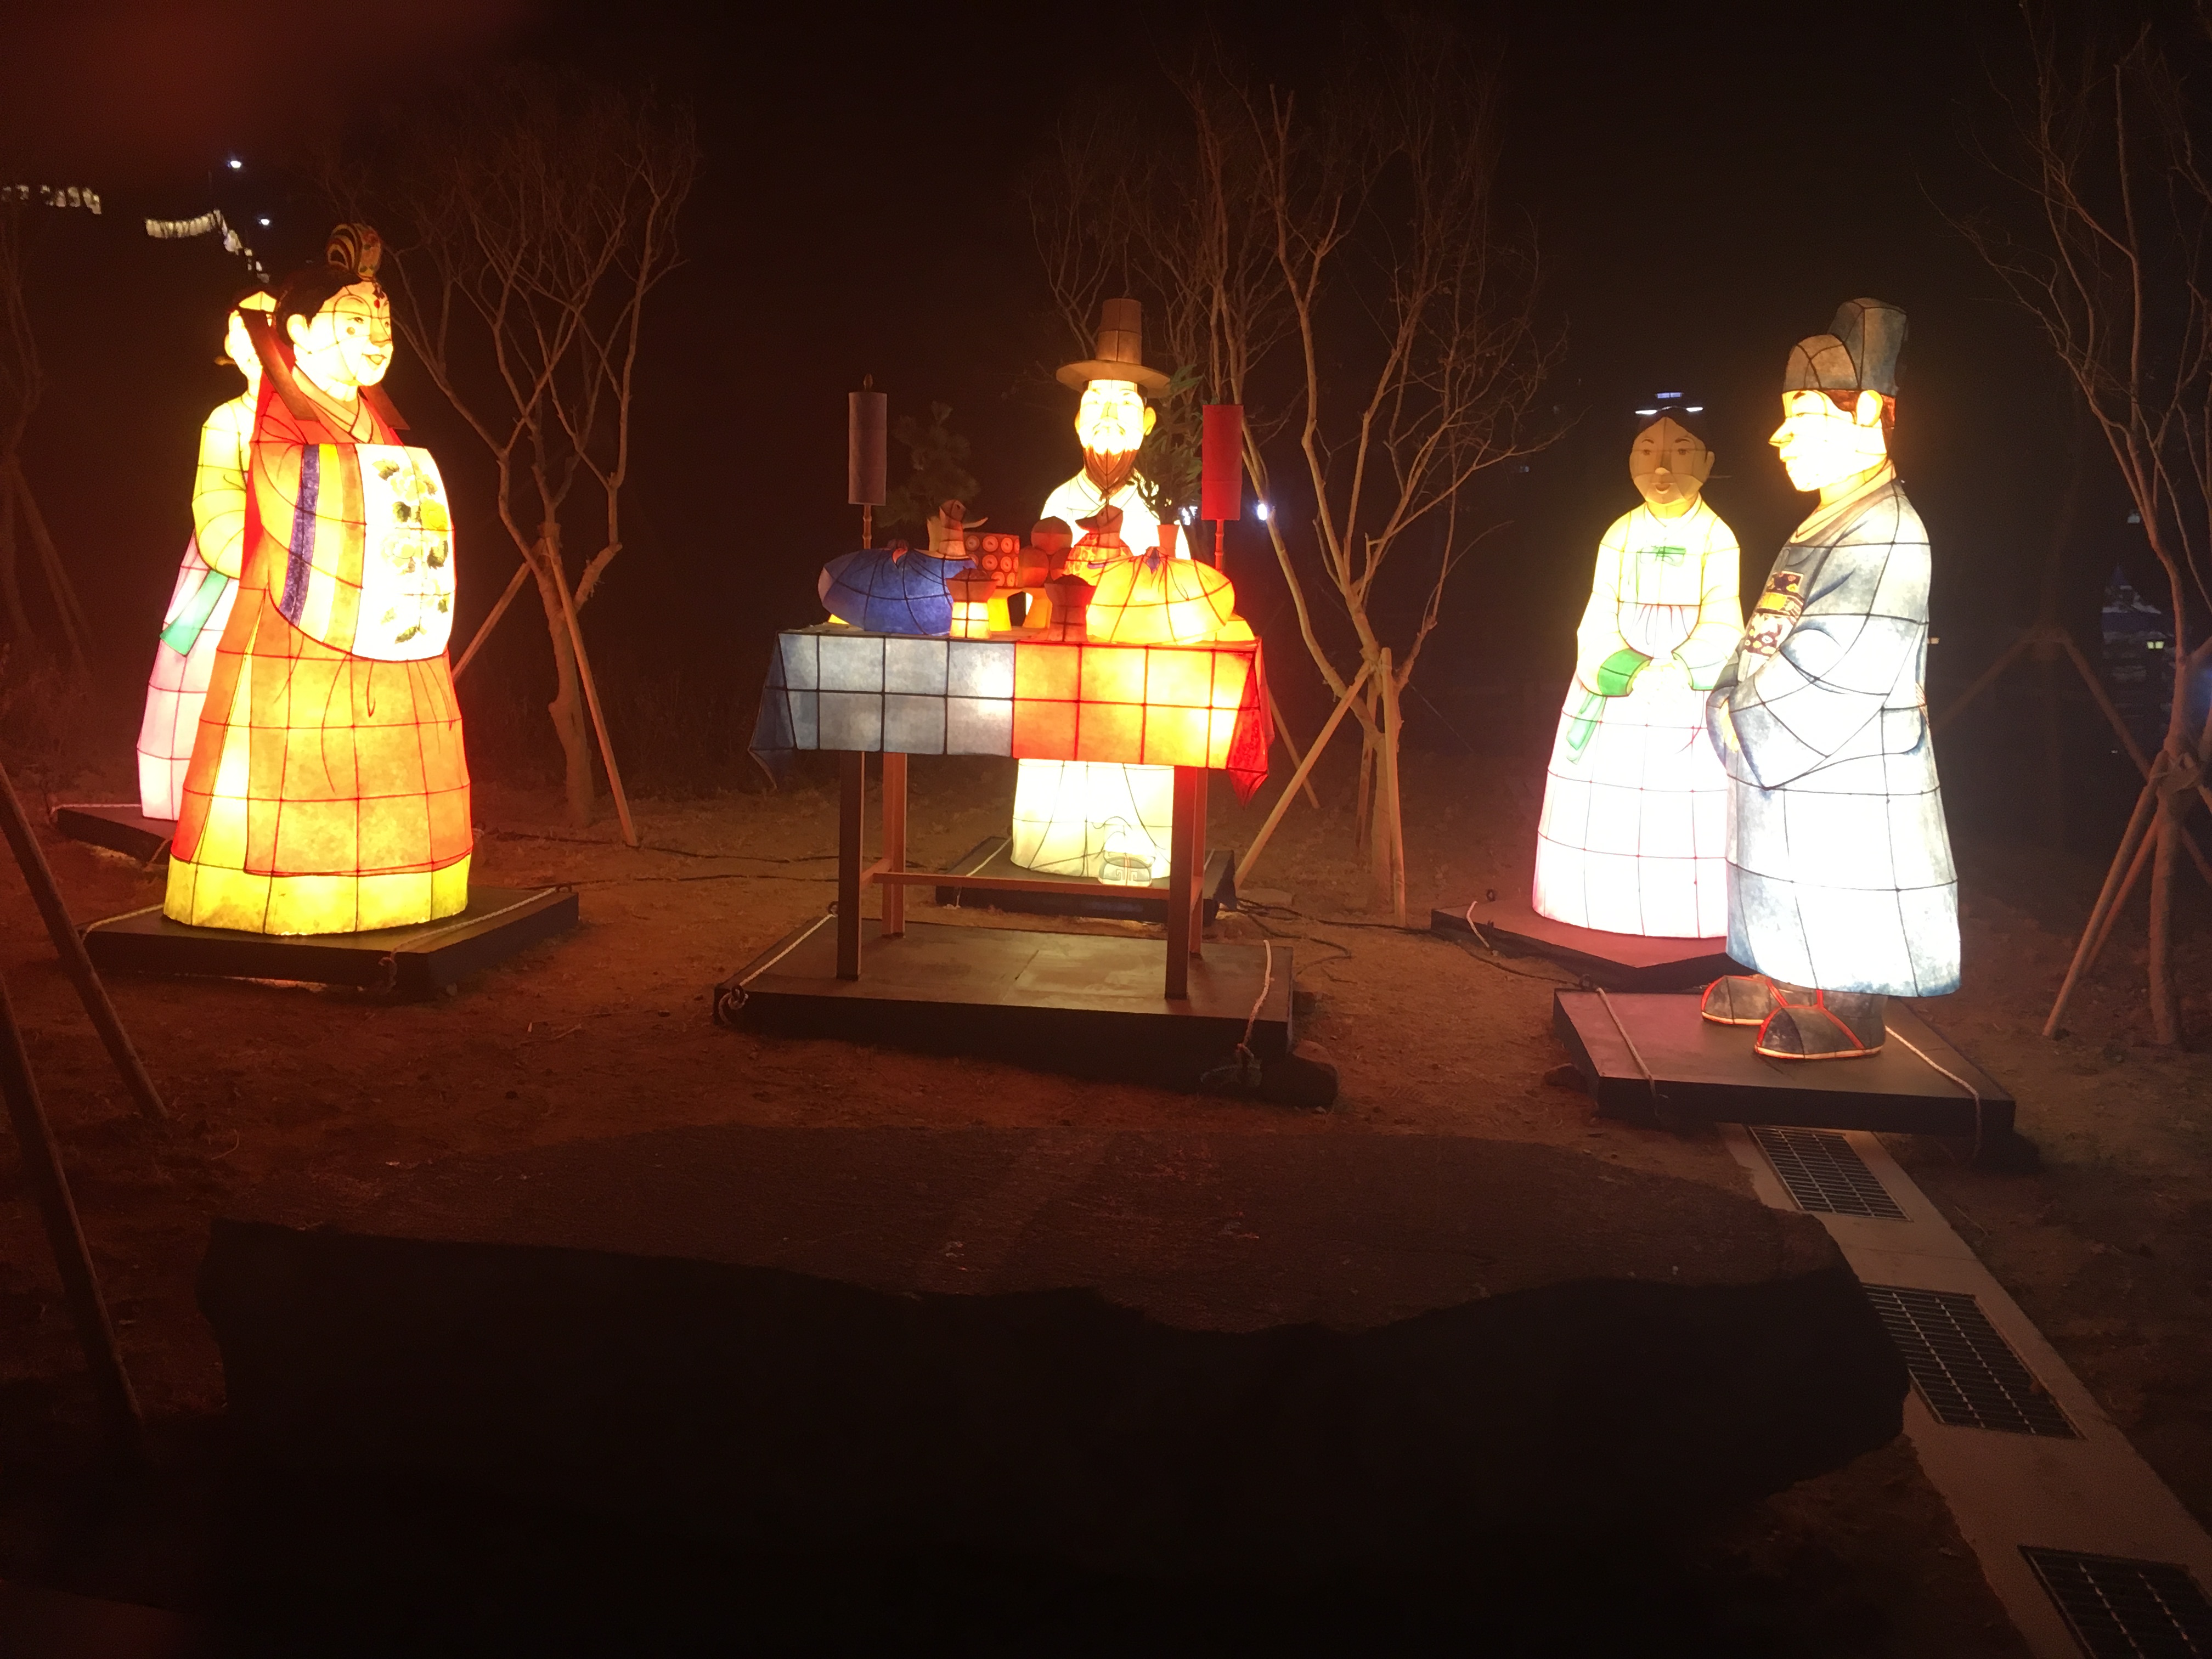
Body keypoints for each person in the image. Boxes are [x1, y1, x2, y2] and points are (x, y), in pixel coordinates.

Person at [166, 225, 472, 935]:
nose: (377, 340)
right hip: (302, 621)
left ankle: (404, 877)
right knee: (305, 757)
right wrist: (377, 485)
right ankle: (299, 885)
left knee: (404, 754)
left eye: (383, 325)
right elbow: (280, 483)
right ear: (300, 331)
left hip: (387, 618)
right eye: (356, 324)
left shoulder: (375, 418)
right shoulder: (285, 416)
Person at [1702, 298, 1959, 1059]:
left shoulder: (1888, 532)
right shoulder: (1828, 520)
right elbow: (1766, 629)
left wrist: (1742, 714)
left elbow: (1838, 660)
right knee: (1787, 871)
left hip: (1844, 761)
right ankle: (1789, 978)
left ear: (1871, 412)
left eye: (1805, 419)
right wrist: (1729, 696)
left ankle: (1849, 1004)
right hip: (1782, 753)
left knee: (1843, 875)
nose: (1780, 437)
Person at [1532, 403, 1741, 937]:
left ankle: (1684, 909)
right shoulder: (1619, 534)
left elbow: (1724, 618)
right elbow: (1598, 615)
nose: (1662, 468)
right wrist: (1630, 671)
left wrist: (1683, 669)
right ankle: (1597, 899)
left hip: (1687, 691)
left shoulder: (1717, 538)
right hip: (1621, 687)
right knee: (1606, 806)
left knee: (1685, 809)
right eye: (1647, 453)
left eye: (1680, 452)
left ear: (1708, 462)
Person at [1008, 298, 1181, 882]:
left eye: (1124, 404)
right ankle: (1055, 847)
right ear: (1078, 422)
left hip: (1133, 669)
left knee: (1139, 752)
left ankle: (1136, 845)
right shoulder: (1060, 501)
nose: (1109, 416)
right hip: (1065, 664)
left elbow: (1180, 588)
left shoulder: (1158, 505)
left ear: (1147, 422)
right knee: (1058, 762)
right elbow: (1035, 583)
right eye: (1096, 404)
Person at [134, 292, 273, 820]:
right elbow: (215, 499)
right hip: (226, 570)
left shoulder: (310, 427)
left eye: (264, 334)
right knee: (195, 677)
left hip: (300, 567)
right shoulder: (227, 419)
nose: (253, 347)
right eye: (241, 335)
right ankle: (184, 800)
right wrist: (244, 551)